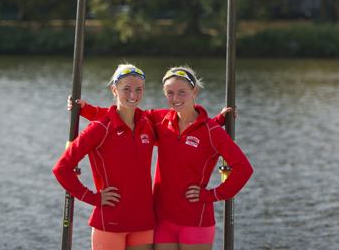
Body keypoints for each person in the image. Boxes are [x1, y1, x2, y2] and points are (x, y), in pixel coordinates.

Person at [70, 65, 253, 250]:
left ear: (194, 92)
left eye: (182, 92)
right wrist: (86, 110)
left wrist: (213, 195)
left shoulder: (211, 130)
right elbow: (123, 113)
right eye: (170, 93)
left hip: (196, 219)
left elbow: (243, 169)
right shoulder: (158, 120)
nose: (175, 98)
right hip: (161, 221)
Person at [53, 64, 156, 250]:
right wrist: (92, 197)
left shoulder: (148, 123)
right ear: (114, 90)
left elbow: (183, 126)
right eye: (126, 89)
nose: (133, 95)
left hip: (144, 222)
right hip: (110, 222)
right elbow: (62, 168)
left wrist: (221, 121)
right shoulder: (100, 128)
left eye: (138, 90)